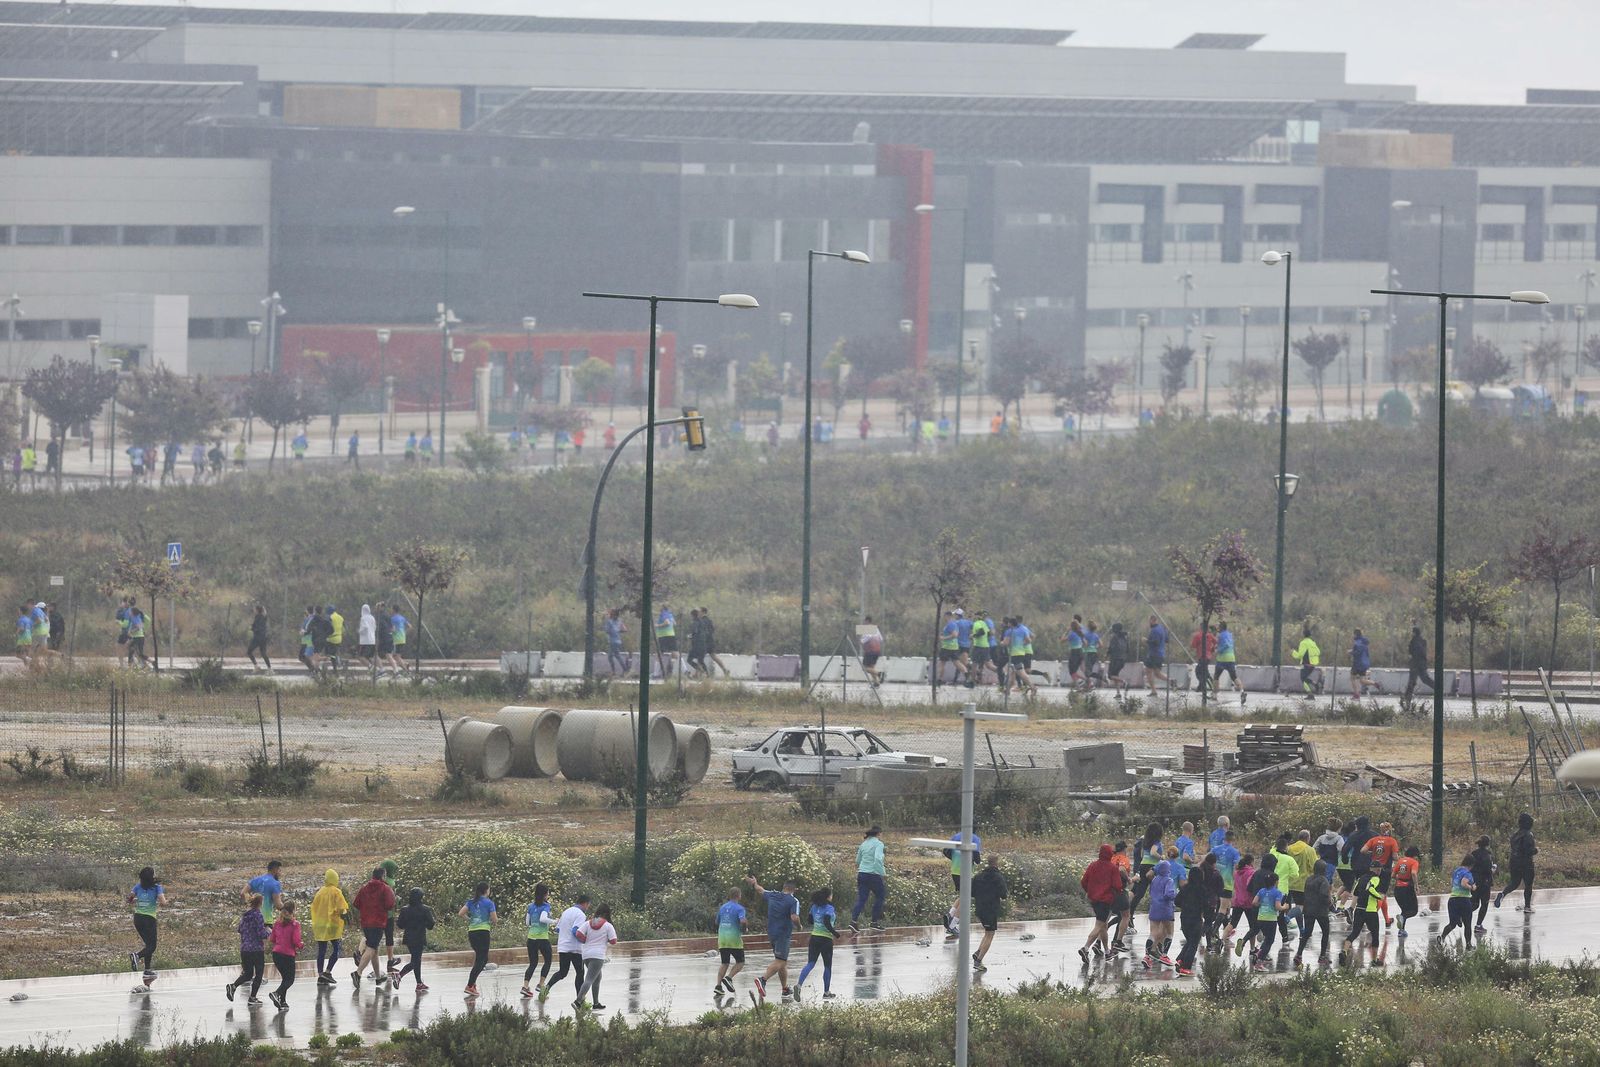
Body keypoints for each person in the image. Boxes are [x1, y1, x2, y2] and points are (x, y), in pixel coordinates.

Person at [745, 873, 800, 1001]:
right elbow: (794, 917)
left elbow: (760, 890)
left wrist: (754, 883)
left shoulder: (773, 895)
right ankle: (762, 980)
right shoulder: (793, 901)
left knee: (782, 961)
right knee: (780, 961)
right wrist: (799, 926)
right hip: (783, 934)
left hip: (772, 933)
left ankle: (785, 989)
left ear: (784, 887)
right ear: (794, 890)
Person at [351, 866, 397, 990]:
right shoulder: (385, 888)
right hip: (377, 922)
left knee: (374, 949)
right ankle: (358, 973)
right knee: (371, 948)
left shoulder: (364, 888)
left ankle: (378, 977)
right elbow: (390, 905)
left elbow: (356, 903)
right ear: (382, 876)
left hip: (366, 922)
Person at [541, 893, 591, 1002]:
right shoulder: (580, 914)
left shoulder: (566, 912)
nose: (587, 908)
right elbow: (575, 931)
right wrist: (585, 940)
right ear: (585, 904)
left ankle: (545, 989)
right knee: (580, 972)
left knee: (562, 972)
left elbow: (557, 929)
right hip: (575, 948)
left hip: (563, 947)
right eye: (588, 906)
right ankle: (580, 999)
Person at [1079, 844, 1121, 963]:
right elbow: (1118, 886)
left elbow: (1083, 881)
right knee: (1099, 925)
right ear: (1109, 854)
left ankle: (1107, 952)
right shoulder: (1112, 868)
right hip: (1105, 900)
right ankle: (1085, 948)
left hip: (1094, 900)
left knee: (1103, 926)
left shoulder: (1092, 865)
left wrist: (1089, 891)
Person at [792, 888, 836, 1000]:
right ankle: (826, 992)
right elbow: (826, 921)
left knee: (810, 963)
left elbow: (809, 920)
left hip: (814, 938)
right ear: (828, 897)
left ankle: (799, 985)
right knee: (827, 966)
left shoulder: (814, 907)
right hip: (826, 940)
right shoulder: (829, 908)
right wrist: (835, 933)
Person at [128, 866, 167, 990]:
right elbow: (162, 902)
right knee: (152, 946)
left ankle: (147, 970)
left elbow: (129, 899)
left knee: (148, 945)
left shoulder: (137, 887)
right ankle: (137, 956)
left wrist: (136, 900)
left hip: (138, 918)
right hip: (149, 918)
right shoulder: (157, 887)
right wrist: (165, 901)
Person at [573, 904, 618, 1011]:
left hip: (586, 955)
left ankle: (596, 1003)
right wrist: (604, 939)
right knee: (589, 980)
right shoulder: (608, 926)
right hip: (598, 956)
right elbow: (614, 941)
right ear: (607, 914)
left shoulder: (588, 923)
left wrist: (586, 940)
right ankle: (578, 1001)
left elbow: (578, 933)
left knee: (597, 978)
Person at [226, 893, 268, 1005]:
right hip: (256, 949)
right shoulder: (258, 915)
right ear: (260, 903)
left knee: (248, 974)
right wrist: (268, 932)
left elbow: (240, 929)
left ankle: (233, 986)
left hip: (244, 949)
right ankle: (253, 997)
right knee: (258, 974)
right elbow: (261, 933)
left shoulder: (245, 916)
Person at [310, 869, 350, 986]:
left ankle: (320, 974)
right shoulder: (336, 892)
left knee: (321, 951)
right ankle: (328, 972)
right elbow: (342, 908)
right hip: (333, 925)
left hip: (320, 925)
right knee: (337, 949)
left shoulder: (320, 892)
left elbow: (314, 907)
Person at [970, 853, 1009, 973]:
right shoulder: (998, 877)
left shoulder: (978, 876)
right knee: (990, 934)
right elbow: (1004, 894)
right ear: (997, 863)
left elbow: (971, 892)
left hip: (980, 908)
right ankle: (978, 961)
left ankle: (978, 953)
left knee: (987, 933)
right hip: (990, 909)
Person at [393, 887, 435, 992]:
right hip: (419, 937)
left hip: (408, 938)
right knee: (416, 961)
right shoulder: (425, 909)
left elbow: (400, 925)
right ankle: (399, 975)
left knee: (416, 960)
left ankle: (419, 983)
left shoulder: (404, 909)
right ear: (421, 897)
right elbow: (431, 924)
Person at [1173, 855, 1209, 976]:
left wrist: (1184, 905)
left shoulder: (1185, 888)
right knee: (1193, 944)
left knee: (1190, 941)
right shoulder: (1202, 889)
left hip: (1184, 919)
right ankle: (1185, 967)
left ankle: (1180, 959)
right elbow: (1206, 905)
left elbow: (1176, 901)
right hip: (1196, 919)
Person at [459, 881, 496, 998]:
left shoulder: (471, 901)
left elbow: (461, 913)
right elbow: (494, 919)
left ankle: (473, 984)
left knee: (480, 958)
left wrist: (470, 919)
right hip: (483, 932)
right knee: (482, 959)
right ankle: (470, 985)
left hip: (472, 932)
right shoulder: (489, 903)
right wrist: (490, 921)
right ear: (486, 890)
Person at [1496, 812, 1538, 912]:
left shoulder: (1515, 835)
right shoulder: (1528, 835)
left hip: (1514, 861)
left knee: (1514, 883)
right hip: (1526, 863)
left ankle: (1502, 894)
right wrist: (1535, 850)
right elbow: (1528, 851)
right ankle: (1527, 906)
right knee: (1528, 885)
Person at [1295, 860, 1334, 968]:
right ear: (1324, 870)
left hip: (1308, 910)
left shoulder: (1309, 879)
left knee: (1307, 933)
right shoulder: (1324, 880)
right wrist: (1330, 906)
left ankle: (1299, 954)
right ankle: (1322, 956)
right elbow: (1324, 895)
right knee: (1325, 932)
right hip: (1321, 911)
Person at [1362, 821, 1400, 929]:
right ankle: (1369, 918)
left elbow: (1363, 850)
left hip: (1373, 869)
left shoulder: (1373, 840)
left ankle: (1387, 920)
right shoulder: (1392, 841)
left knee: (1382, 896)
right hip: (1385, 870)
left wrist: (1373, 853)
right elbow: (1395, 857)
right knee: (1381, 894)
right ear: (1390, 830)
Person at [520, 883, 554, 999]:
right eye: (548, 893)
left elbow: (527, 923)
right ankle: (541, 984)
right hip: (542, 938)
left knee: (533, 963)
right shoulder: (546, 906)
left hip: (531, 938)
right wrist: (555, 921)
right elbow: (543, 919)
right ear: (545, 894)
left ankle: (525, 987)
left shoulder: (530, 906)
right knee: (548, 961)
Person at [267, 899, 302, 1011]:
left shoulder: (277, 923)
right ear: (293, 911)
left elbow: (272, 939)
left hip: (276, 954)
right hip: (287, 955)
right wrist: (301, 945)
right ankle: (276, 994)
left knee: (285, 978)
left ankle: (283, 1002)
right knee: (290, 979)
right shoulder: (295, 924)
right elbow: (296, 941)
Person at [1248, 871, 1288, 971]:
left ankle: (1258, 953)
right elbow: (1278, 907)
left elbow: (1254, 902)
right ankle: (1259, 963)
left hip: (1261, 918)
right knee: (1269, 941)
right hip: (1271, 919)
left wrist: (1261, 904)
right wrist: (1285, 907)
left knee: (1266, 940)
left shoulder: (1262, 890)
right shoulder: (1277, 892)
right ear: (1275, 882)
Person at [850, 826, 886, 931]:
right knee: (880, 896)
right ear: (879, 833)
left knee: (862, 898)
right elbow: (878, 859)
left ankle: (853, 921)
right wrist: (882, 873)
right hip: (873, 874)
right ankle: (874, 922)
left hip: (862, 873)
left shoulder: (863, 844)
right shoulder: (879, 844)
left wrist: (862, 868)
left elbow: (857, 861)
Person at [713, 887, 748, 996]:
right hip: (734, 940)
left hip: (722, 939)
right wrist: (745, 927)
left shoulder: (722, 907)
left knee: (724, 963)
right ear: (739, 895)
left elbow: (717, 921)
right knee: (740, 962)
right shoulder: (740, 908)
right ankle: (729, 978)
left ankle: (718, 986)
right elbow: (742, 920)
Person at [1143, 859, 1177, 968]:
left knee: (1153, 933)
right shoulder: (1169, 880)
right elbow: (1168, 894)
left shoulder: (1154, 880)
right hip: (1166, 908)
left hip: (1154, 907)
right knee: (1169, 932)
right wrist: (1175, 894)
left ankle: (1147, 956)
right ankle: (1164, 954)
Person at [1438, 858, 1478, 948]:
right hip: (1464, 900)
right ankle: (1468, 945)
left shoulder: (1456, 871)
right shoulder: (1468, 873)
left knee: (1452, 924)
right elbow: (1464, 883)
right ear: (1471, 865)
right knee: (1467, 924)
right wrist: (1472, 887)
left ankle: (1442, 937)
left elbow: (1452, 882)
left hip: (1453, 899)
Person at [1224, 852, 1257, 941]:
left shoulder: (1237, 872)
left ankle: (1221, 940)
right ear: (1251, 862)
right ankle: (1252, 948)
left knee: (1232, 923)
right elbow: (1250, 886)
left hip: (1237, 901)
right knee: (1252, 926)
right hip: (1249, 902)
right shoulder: (1252, 873)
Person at [1469, 835, 1497, 933]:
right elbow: (1487, 870)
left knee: (1474, 903)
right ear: (1488, 844)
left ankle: (1461, 915)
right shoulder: (1488, 855)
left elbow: (1469, 866)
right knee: (1484, 904)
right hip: (1485, 882)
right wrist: (1493, 869)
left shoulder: (1473, 853)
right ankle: (1478, 925)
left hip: (1474, 881)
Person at [1393, 847, 1422, 938]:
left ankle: (1401, 931)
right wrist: (1416, 885)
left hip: (1397, 889)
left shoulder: (1400, 861)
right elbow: (1413, 873)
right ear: (1415, 855)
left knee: (1404, 910)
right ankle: (1402, 920)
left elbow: (1393, 875)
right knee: (1413, 911)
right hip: (1407, 889)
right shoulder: (1414, 862)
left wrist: (1401, 879)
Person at [247, 860, 285, 927]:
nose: (280, 873)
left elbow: (242, 893)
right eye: (279, 870)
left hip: (251, 917)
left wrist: (250, 903)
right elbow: (278, 905)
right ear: (275, 870)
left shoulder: (255, 880)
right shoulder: (275, 883)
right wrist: (288, 909)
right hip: (265, 920)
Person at [1404, 626, 1435, 701]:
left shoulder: (1413, 641)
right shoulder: (1423, 640)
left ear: (1414, 633)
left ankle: (1407, 697)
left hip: (1415, 663)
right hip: (1422, 663)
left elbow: (1412, 652)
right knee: (1425, 679)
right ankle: (1438, 689)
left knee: (1412, 681)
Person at [1290, 625, 1321, 697]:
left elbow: (1299, 655)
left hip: (1306, 664)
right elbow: (1318, 652)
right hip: (1313, 664)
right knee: (1304, 678)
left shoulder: (1303, 643)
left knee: (1303, 679)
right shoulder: (1313, 642)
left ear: (1303, 635)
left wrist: (1293, 652)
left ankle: (1310, 694)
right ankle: (1315, 684)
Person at [1350, 628, 1380, 697]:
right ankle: (1374, 683)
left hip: (1358, 664)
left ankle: (1356, 694)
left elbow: (1358, 652)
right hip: (1364, 663)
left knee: (1352, 678)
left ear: (1355, 634)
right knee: (1362, 680)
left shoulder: (1358, 642)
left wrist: (1351, 652)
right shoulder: (1364, 642)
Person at [1142, 616, 1168, 695]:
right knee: (1157, 673)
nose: (1149, 623)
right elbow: (1167, 640)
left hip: (1154, 654)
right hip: (1161, 654)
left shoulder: (1154, 630)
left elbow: (1155, 642)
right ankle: (1171, 680)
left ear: (1153, 621)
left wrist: (1146, 641)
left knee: (1148, 671)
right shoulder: (1163, 628)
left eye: (1149, 621)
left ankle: (1153, 691)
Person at [1188, 625, 1215, 696]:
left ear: (1200, 628)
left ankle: (1203, 686)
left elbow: (1193, 645)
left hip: (1202, 657)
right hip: (1208, 657)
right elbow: (1216, 642)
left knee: (1198, 672)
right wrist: (1212, 649)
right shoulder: (1210, 635)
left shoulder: (1198, 635)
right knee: (1204, 671)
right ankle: (1200, 687)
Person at [1105, 622, 1131, 695]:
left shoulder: (1114, 637)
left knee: (1110, 676)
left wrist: (1106, 655)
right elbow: (1128, 649)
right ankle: (1118, 693)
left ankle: (1124, 682)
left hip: (1115, 659)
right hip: (1123, 659)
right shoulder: (1124, 637)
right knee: (1116, 675)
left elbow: (1110, 649)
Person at [859, 616, 884, 687]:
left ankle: (879, 674)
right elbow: (881, 639)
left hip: (870, 651)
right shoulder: (875, 628)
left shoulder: (867, 629)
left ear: (867, 621)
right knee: (871, 667)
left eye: (864, 621)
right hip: (877, 651)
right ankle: (876, 683)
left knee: (865, 668)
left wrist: (861, 641)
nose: (863, 623)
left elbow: (864, 640)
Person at [246, 604, 272, 672]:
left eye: (254, 609)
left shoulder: (258, 617)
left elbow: (257, 628)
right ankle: (269, 669)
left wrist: (252, 628)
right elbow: (261, 626)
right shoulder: (263, 617)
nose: (253, 610)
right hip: (263, 638)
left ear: (257, 610)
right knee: (263, 653)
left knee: (249, 652)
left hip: (257, 638)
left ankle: (256, 666)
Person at [603, 608, 629, 676]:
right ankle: (619, 670)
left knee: (616, 656)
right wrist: (618, 631)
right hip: (618, 641)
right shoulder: (619, 621)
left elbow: (607, 631)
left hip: (612, 641)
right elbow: (625, 630)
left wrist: (611, 631)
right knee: (611, 656)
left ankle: (624, 670)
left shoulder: (609, 621)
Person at [655, 603, 677, 676]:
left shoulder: (663, 613)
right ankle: (684, 670)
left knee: (660, 653)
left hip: (664, 635)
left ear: (663, 607)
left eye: (660, 606)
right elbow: (674, 623)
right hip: (671, 634)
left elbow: (667, 623)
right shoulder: (670, 613)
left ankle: (656, 673)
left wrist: (658, 625)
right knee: (674, 653)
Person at [686, 608, 709, 678]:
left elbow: (694, 632)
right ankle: (707, 675)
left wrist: (690, 636)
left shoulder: (695, 623)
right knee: (701, 661)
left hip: (696, 645)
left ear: (692, 615)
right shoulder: (702, 622)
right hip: (703, 644)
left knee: (689, 660)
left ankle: (701, 670)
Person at [355, 604, 377, 672]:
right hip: (372, 640)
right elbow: (375, 628)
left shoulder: (363, 618)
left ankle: (371, 667)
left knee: (361, 657)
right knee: (369, 657)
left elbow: (365, 627)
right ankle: (375, 669)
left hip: (365, 641)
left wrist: (359, 631)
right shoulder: (372, 618)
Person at [325, 604, 345, 671]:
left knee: (331, 654)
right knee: (336, 651)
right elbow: (343, 629)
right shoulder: (341, 617)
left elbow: (327, 628)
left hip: (331, 638)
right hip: (339, 638)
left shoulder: (330, 617)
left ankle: (335, 668)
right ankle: (338, 658)